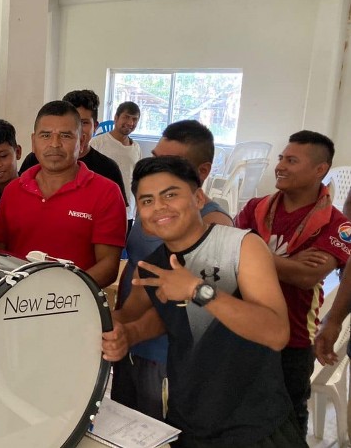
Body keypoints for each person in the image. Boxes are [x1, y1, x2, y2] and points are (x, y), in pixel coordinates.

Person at [103, 156, 301, 447]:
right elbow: (152, 318)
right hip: (190, 421)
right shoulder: (153, 266)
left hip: (256, 424)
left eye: (170, 195)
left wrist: (198, 290)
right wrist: (126, 335)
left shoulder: (241, 246)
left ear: (198, 198)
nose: (159, 206)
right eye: (146, 201)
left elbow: (276, 333)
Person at [111, 120, 233, 421]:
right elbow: (140, 271)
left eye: (170, 163)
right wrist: (115, 322)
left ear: (201, 173)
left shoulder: (215, 225)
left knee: (159, 432)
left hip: (167, 358)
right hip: (128, 345)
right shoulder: (153, 207)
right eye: (154, 158)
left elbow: (188, 307)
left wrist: (131, 329)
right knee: (123, 429)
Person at [235, 130, 351, 436]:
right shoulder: (256, 208)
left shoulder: (337, 224)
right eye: (281, 158)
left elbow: (306, 277)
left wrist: (248, 251)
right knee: (236, 411)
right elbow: (227, 256)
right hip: (242, 326)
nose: (280, 166)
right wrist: (283, 262)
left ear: (320, 170)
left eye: (292, 160)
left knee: (286, 418)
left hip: (294, 338)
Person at [0, 100, 126, 288]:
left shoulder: (107, 193)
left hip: (75, 307)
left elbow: (108, 267)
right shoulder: (13, 190)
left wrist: (58, 298)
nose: (54, 144)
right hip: (16, 304)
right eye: (45, 135)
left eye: (65, 136)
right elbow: (2, 252)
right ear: (33, 141)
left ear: (81, 142)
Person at [18, 90, 127, 206]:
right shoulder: (34, 160)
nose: (77, 128)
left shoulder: (108, 169)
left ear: (95, 127)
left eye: (83, 123)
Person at [91, 101, 141, 218]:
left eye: (134, 119)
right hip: (100, 208)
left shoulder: (136, 148)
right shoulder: (97, 143)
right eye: (126, 117)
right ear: (116, 118)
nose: (130, 122)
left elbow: (137, 179)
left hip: (127, 211)